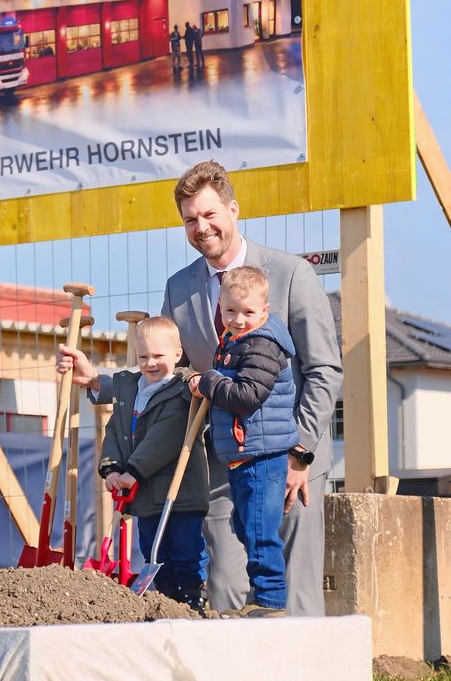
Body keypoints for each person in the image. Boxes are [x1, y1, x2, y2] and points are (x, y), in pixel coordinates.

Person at [163, 160, 342, 616]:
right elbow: (176, 370)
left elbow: (323, 369)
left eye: (209, 214)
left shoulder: (290, 274)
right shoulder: (179, 289)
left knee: (293, 594)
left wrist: (299, 452)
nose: (201, 227)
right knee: (224, 586)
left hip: (289, 463)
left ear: (233, 209)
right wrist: (104, 382)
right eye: (190, 219)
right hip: (225, 462)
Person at [58, 316, 209, 611]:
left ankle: (193, 599)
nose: (151, 363)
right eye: (143, 357)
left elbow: (165, 436)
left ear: (177, 354)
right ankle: (168, 602)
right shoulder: (130, 389)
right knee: (154, 551)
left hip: (179, 494)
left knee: (185, 550)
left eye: (158, 356)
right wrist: (112, 468)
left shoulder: (182, 391)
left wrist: (133, 471)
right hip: (144, 494)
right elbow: (115, 429)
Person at [189, 266, 299, 617]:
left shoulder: (263, 344)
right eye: (231, 311)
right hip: (245, 451)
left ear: (264, 311)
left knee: (258, 528)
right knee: (245, 525)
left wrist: (209, 381)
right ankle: (261, 596)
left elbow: (247, 395)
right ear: (219, 307)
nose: (238, 319)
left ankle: (269, 601)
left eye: (248, 312)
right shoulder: (235, 341)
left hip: (262, 454)